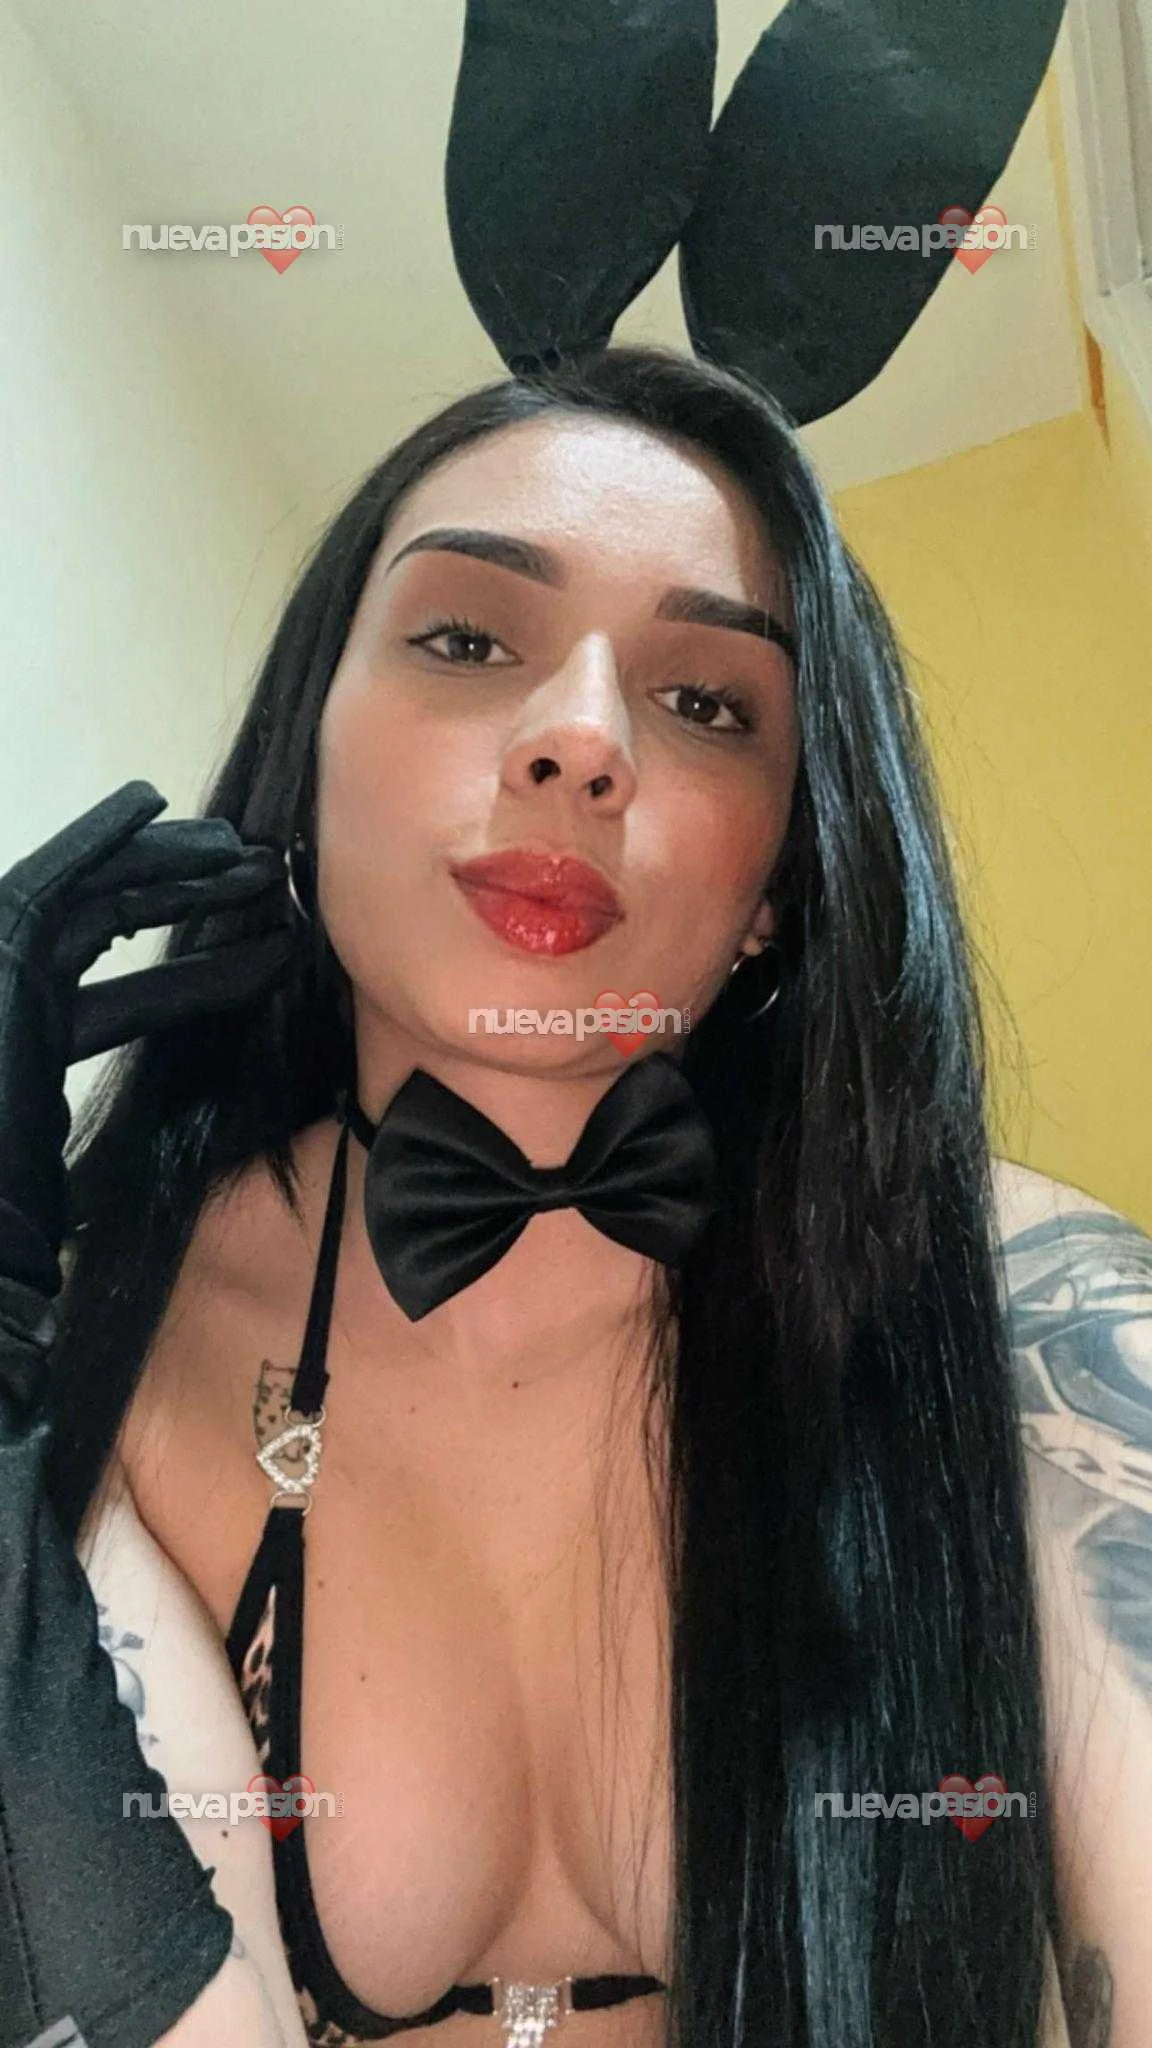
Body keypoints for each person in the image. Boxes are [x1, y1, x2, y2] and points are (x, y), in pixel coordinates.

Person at [9, 344, 1151, 2048]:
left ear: (777, 885)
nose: (581, 742)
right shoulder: (105, 1335)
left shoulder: (1023, 1302)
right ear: (312, 748)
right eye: (470, 641)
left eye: (708, 703)